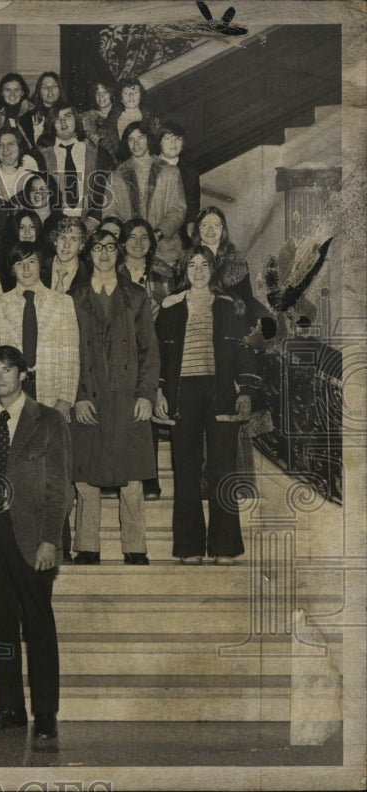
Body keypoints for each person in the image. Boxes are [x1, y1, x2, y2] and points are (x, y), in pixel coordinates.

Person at [0, 345, 69, 739]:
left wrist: (50, 540)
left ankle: (45, 713)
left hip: (31, 539)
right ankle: (9, 708)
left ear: (22, 374)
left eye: (7, 370)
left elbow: (60, 485)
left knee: (39, 626)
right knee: (3, 627)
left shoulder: (48, 420)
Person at [154, 247, 260, 564]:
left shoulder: (230, 306)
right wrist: (159, 392)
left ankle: (225, 546)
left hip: (221, 391)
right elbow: (160, 357)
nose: (197, 270)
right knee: (185, 469)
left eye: (204, 265)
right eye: (191, 265)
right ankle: (189, 547)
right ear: (183, 270)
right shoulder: (170, 307)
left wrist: (246, 392)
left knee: (222, 469)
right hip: (182, 391)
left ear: (212, 270)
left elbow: (244, 351)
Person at [69, 228, 159, 565]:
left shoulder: (135, 296)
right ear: (88, 253)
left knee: (132, 478)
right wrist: (77, 396)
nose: (104, 253)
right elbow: (66, 350)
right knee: (85, 480)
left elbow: (150, 350)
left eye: (110, 247)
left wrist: (146, 394)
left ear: (118, 253)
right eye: (97, 247)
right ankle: (87, 546)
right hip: (89, 396)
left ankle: (135, 548)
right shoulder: (74, 296)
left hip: (125, 396)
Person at [119, 218, 176, 501]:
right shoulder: (112, 272)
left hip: (153, 347)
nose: (138, 242)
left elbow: (176, 311)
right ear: (122, 242)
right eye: (132, 236)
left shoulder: (165, 274)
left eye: (144, 237)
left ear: (152, 244)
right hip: (118, 349)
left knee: (148, 406)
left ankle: (150, 478)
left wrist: (160, 315)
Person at [0, 243, 79, 414]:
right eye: (19, 263)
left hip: (52, 392)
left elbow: (71, 355)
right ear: (12, 270)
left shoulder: (63, 302)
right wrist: (0, 400)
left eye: (31, 262)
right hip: (12, 394)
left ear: (40, 265)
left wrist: (65, 400)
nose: (26, 268)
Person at [109, 122, 187, 263]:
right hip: (128, 251)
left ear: (149, 140)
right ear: (126, 143)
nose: (136, 143)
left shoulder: (170, 172)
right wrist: (127, 236)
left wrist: (158, 233)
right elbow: (110, 211)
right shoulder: (116, 175)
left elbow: (178, 209)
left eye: (140, 137)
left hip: (164, 249)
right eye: (131, 139)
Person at [191, 207, 271, 330]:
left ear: (223, 229)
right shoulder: (188, 260)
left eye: (216, 225)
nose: (210, 230)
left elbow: (247, 301)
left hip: (231, 323)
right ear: (198, 229)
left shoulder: (236, 262)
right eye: (205, 225)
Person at [38, 102, 112, 231]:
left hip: (91, 224)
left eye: (68, 116)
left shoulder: (98, 153)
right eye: (57, 119)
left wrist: (93, 220)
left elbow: (107, 190)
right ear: (51, 124)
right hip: (54, 226)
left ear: (77, 119)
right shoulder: (42, 156)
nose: (63, 123)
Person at [156, 121, 201, 246]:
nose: (173, 143)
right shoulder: (149, 166)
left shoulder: (190, 172)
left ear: (183, 144)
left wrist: (190, 227)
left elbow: (192, 205)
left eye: (178, 139)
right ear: (160, 142)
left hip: (177, 232)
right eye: (168, 138)